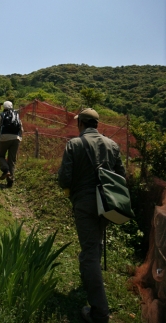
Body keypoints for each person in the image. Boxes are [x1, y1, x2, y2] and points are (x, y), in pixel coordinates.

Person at [58, 108, 125, 323]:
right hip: (107, 202)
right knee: (94, 244)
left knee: (89, 252)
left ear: (81, 124)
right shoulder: (112, 145)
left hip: (84, 202)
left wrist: (72, 188)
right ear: (96, 124)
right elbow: (121, 177)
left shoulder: (74, 144)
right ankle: (88, 278)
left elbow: (64, 178)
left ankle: (99, 313)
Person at [0, 101, 23, 188]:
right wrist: (20, 138)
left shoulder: (2, 115)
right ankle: (10, 181)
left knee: (0, 156)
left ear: (4, 107)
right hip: (16, 139)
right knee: (12, 160)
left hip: (4, 138)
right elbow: (21, 128)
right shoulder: (17, 115)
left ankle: (6, 170)